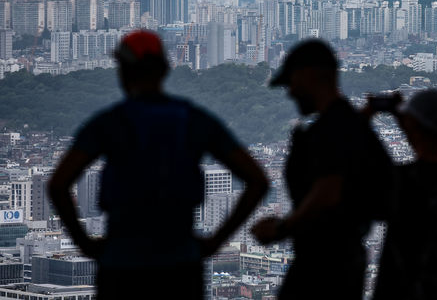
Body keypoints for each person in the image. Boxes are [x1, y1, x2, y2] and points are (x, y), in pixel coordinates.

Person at [48, 30, 268, 300]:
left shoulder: (110, 123)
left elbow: (58, 184)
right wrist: (215, 242)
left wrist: (85, 244)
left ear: (124, 72)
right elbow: (257, 180)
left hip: (123, 263)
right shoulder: (193, 120)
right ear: (164, 70)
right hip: (180, 264)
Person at [251, 39, 392, 300]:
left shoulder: (333, 128)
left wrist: (282, 228)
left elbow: (329, 190)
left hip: (324, 264)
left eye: (292, 81)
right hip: (344, 261)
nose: (291, 92)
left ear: (310, 75)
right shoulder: (351, 126)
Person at [366, 89, 437, 300]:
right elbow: (424, 148)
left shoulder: (401, 179)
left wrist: (367, 116)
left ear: (412, 125)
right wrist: (407, 121)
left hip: (401, 285)